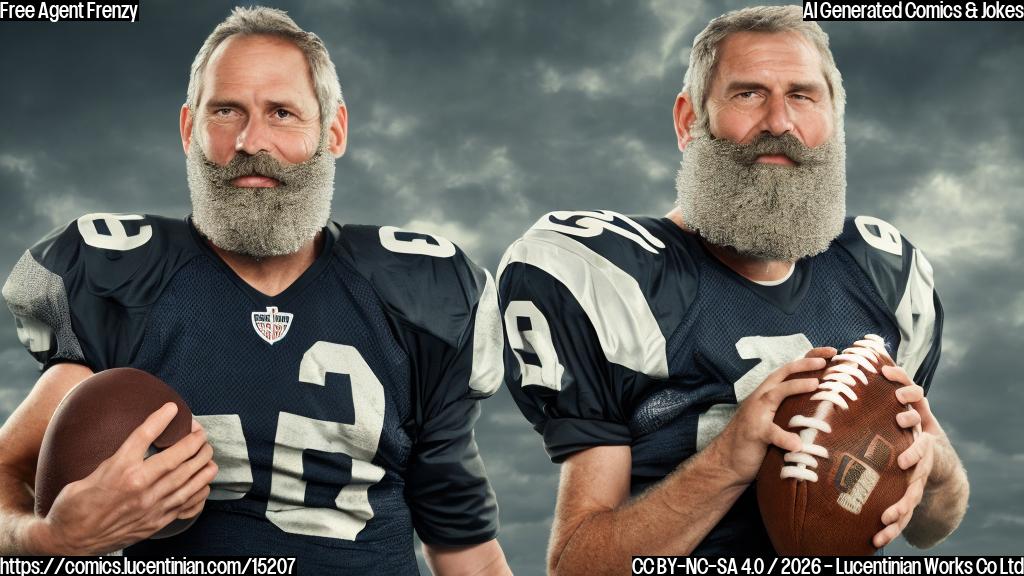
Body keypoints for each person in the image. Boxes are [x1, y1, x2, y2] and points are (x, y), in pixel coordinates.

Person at [0, 7, 510, 575]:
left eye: (282, 113)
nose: (251, 141)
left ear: (332, 132)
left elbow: (464, 551)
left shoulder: (416, 296)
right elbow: (4, 475)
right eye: (226, 111)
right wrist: (45, 538)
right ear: (189, 128)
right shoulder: (122, 285)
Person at [497, 5, 969, 572]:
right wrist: (728, 462)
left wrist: (933, 468)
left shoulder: (882, 274)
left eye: (803, 95)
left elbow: (932, 525)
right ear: (689, 120)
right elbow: (576, 564)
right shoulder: (613, 277)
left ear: (833, 122)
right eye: (747, 94)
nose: (778, 121)